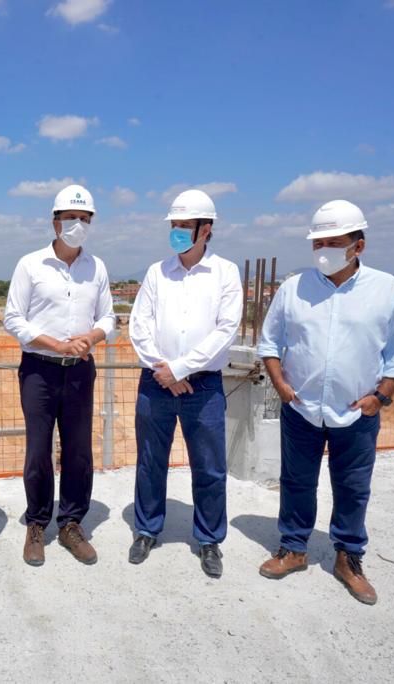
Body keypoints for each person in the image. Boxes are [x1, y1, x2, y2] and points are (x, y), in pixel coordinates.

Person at [256, 199, 394, 605]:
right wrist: (281, 385)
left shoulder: (386, 290)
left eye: (333, 242)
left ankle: (348, 558)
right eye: (318, 243)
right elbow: (270, 343)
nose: (323, 250)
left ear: (358, 246)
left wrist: (380, 397)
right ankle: (294, 548)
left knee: (353, 486)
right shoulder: (294, 288)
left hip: (357, 412)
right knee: (296, 482)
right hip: (302, 408)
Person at [128, 189, 242, 577]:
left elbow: (225, 330)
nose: (176, 231)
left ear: (205, 229)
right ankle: (146, 530)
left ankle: (209, 539)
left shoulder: (225, 273)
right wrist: (164, 370)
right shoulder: (156, 273)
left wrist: (180, 369)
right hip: (155, 382)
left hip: (203, 387)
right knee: (150, 462)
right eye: (174, 224)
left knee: (209, 467)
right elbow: (139, 325)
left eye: (184, 225)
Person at [4, 184, 115, 566]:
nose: (77, 224)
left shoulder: (97, 268)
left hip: (80, 370)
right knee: (38, 449)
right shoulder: (30, 265)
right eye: (70, 217)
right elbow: (13, 318)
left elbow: (108, 317)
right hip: (39, 370)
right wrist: (55, 344)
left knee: (78, 449)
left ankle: (71, 523)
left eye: (84, 218)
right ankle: (37, 523)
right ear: (55, 222)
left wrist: (91, 337)